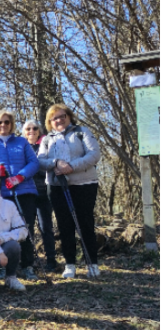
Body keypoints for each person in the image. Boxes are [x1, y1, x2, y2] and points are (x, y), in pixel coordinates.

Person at [0, 110, 41, 280]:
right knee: (2, 230)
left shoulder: (22, 142)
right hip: (0, 195)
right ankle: (3, 266)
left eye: (6, 122)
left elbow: (34, 163)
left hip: (24, 192)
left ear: (11, 124)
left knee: (25, 228)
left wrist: (20, 177)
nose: (3, 125)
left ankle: (27, 266)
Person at [38, 104, 102, 279]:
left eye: (62, 116)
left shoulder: (82, 132)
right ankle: (70, 264)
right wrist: (56, 163)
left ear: (69, 116)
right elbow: (41, 161)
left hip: (84, 184)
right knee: (65, 226)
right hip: (57, 187)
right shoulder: (46, 139)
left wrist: (71, 167)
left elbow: (94, 154)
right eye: (54, 118)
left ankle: (92, 263)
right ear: (50, 122)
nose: (59, 120)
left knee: (85, 224)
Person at [22, 120, 59, 272]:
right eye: (28, 129)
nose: (32, 131)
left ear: (39, 130)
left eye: (35, 128)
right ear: (24, 132)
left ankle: (51, 260)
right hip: (27, 192)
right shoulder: (22, 147)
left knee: (46, 227)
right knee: (27, 228)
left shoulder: (46, 145)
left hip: (44, 192)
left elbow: (47, 165)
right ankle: (28, 262)